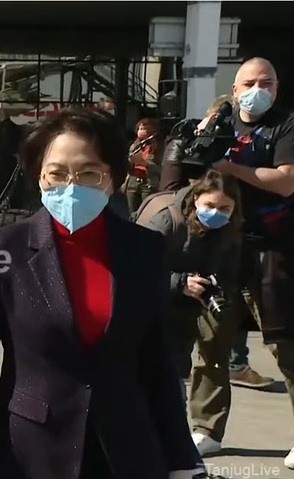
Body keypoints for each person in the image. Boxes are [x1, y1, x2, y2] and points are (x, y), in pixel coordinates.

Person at [0, 108, 203, 479]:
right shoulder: (6, 247)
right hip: (30, 453)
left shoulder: (144, 248)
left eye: (88, 173)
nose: (71, 185)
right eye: (57, 173)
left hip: (127, 451)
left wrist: (183, 460)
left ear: (112, 178)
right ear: (39, 177)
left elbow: (157, 364)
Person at [162, 58, 294, 465]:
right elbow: (192, 177)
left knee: (283, 340)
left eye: (266, 82)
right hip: (219, 246)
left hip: (272, 246)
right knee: (211, 340)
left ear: (276, 87)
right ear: (234, 90)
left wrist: (230, 167)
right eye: (248, 83)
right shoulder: (219, 122)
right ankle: (206, 428)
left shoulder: (285, 125)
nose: (257, 90)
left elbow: (287, 181)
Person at [142, 170, 242, 418]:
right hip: (153, 311)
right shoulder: (167, 221)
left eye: (225, 209)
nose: (216, 213)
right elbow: (135, 269)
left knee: (181, 375)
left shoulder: (229, 230)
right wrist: (180, 283)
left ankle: (196, 430)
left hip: (188, 312)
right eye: (210, 205)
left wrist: (217, 285)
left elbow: (230, 270)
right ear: (196, 198)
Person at [124, 117, 164, 213]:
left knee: (145, 212)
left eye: (143, 129)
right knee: (132, 211)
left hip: (148, 184)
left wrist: (145, 163)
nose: (140, 131)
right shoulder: (134, 146)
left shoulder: (158, 147)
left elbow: (161, 169)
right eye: (139, 129)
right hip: (133, 182)